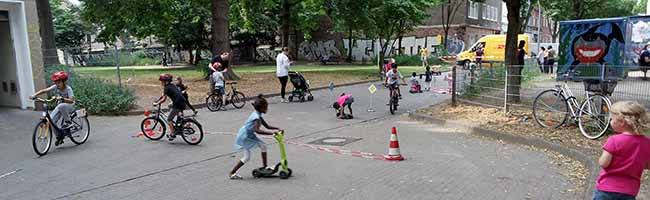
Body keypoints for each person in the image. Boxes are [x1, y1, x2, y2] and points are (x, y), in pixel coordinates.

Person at [593, 101, 650, 200]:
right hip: (630, 191)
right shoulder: (647, 143)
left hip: (607, 188)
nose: (610, 121)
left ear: (622, 122)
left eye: (612, 119)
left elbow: (603, 163)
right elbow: (648, 165)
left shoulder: (614, 140)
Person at [228, 95, 282, 179]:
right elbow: (257, 130)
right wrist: (272, 134)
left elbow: (266, 126)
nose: (267, 109)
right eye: (265, 107)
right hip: (245, 136)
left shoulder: (258, 114)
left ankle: (264, 166)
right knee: (249, 156)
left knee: (258, 149)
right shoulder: (256, 117)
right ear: (260, 108)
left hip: (247, 134)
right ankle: (232, 173)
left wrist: (277, 128)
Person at [30, 71, 75, 146]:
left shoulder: (68, 89)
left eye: (59, 82)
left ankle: (68, 122)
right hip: (60, 106)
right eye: (56, 83)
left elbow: (71, 100)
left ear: (63, 82)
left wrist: (62, 98)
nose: (57, 84)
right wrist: (34, 95)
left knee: (61, 106)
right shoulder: (55, 87)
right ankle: (59, 137)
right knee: (51, 121)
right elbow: (44, 90)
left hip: (69, 106)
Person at [153, 73, 187, 141]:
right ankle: (183, 120)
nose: (161, 83)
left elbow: (164, 99)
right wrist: (159, 99)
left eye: (162, 81)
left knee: (169, 119)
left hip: (178, 104)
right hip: (182, 102)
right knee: (170, 106)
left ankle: (173, 133)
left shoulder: (166, 87)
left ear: (166, 81)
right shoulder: (172, 85)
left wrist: (157, 103)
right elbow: (163, 95)